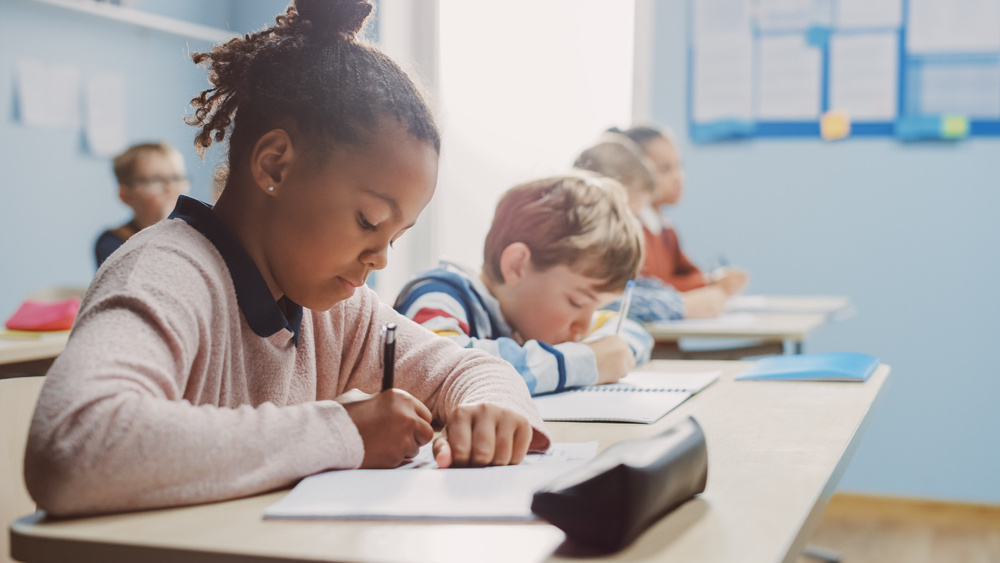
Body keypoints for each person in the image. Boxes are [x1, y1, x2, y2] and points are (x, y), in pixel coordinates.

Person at [25, 0, 549, 518]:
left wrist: (493, 412)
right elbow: (76, 444)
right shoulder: (166, 274)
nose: (381, 258)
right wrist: (342, 432)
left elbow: (468, 371)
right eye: (369, 220)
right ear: (275, 164)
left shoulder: (338, 309)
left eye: (397, 234)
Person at [394, 172, 653, 396]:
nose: (584, 326)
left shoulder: (536, 322)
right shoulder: (437, 294)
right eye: (577, 302)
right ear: (517, 265)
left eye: (596, 307)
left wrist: (611, 353)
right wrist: (585, 361)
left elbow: (632, 331)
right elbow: (434, 367)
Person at [573, 133, 729, 320]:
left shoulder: (663, 230)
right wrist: (681, 305)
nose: (633, 228)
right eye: (629, 217)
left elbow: (642, 285)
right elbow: (606, 301)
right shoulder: (578, 256)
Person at [617, 126, 748, 295]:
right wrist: (710, 282)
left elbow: (691, 273)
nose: (678, 177)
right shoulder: (634, 229)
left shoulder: (666, 229)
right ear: (636, 173)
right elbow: (652, 289)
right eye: (665, 169)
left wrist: (713, 280)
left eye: (679, 166)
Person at [94, 142, 190, 268]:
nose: (171, 188)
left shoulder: (193, 234)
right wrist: (164, 225)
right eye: (156, 181)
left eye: (177, 178)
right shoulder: (112, 241)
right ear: (126, 196)